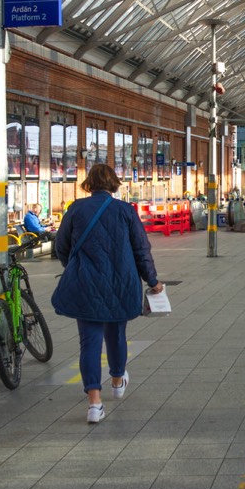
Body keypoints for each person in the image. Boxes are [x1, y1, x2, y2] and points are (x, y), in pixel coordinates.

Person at [52, 164, 163, 424]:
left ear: (89, 184)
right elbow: (141, 250)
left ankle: (94, 402)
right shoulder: (125, 211)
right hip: (119, 283)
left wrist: (76, 268)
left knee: (89, 343)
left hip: (86, 285)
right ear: (114, 184)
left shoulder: (76, 209)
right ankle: (116, 379)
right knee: (116, 334)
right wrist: (153, 280)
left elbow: (61, 246)